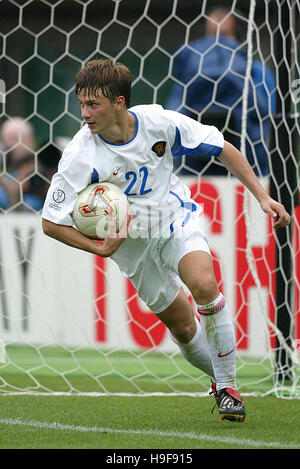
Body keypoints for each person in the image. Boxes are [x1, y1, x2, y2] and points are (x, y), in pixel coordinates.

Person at [41, 59, 290, 422]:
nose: (85, 113)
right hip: (131, 245)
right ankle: (219, 382)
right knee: (183, 325)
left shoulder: (160, 123)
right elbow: (50, 222)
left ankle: (229, 388)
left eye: (93, 104)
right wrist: (99, 247)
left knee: (205, 285)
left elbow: (223, 148)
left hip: (172, 218)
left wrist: (263, 197)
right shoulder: (81, 154)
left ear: (120, 103)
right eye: (81, 103)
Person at [166, 7, 276, 177]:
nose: (218, 45)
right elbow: (271, 118)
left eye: (223, 36)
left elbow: (173, 117)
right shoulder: (257, 71)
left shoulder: (255, 72)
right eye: (213, 36)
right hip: (248, 171)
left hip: (196, 172)